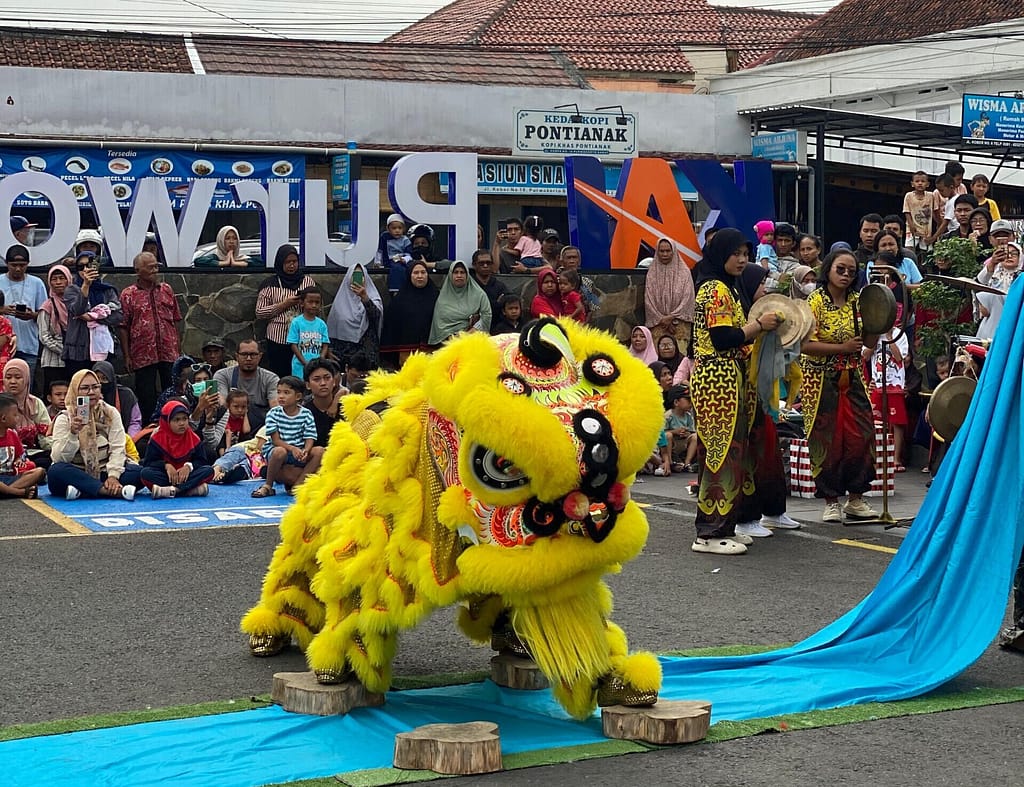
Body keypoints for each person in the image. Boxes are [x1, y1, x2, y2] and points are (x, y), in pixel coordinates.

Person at [690, 228, 781, 555]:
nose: (743, 260)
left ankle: (726, 524)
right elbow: (722, 338)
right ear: (720, 255)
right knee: (719, 454)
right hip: (716, 379)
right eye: (736, 254)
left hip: (729, 378)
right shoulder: (714, 289)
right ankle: (710, 533)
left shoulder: (725, 287)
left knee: (733, 453)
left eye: (746, 254)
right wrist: (759, 326)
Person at [800, 249, 879, 524]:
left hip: (854, 376)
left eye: (851, 271)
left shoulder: (859, 301)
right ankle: (831, 500)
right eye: (840, 269)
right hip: (821, 380)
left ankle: (856, 497)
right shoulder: (815, 302)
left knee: (862, 435)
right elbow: (804, 344)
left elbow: (869, 342)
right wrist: (841, 348)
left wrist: (879, 320)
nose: (846, 275)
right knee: (826, 438)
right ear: (829, 270)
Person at [47, 369, 141, 501]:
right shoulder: (65, 417)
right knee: (56, 471)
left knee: (140, 473)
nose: (91, 392)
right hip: (76, 472)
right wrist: (73, 433)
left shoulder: (109, 413)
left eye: (95, 387)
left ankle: (84, 489)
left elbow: (118, 447)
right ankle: (106, 491)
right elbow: (58, 458)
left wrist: (113, 476)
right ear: (75, 390)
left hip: (105, 471)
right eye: (85, 388)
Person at [118, 252, 181, 424]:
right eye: (150, 267)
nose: (155, 270)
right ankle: (149, 429)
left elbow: (175, 320)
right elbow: (123, 326)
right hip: (142, 353)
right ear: (138, 271)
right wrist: (127, 356)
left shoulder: (167, 290)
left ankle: (173, 424)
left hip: (169, 351)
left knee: (172, 391)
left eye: (156, 266)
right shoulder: (128, 294)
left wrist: (178, 350)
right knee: (146, 394)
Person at [251, 376, 324, 498]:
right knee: (280, 451)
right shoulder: (273, 413)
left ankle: (299, 485)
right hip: (279, 450)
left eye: (286, 393)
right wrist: (293, 449)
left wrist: (305, 450)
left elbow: (310, 437)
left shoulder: (306, 413)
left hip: (299, 451)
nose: (281, 396)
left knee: (320, 451)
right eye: (278, 392)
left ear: (298, 397)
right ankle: (268, 486)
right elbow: (276, 441)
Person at [255, 244, 316, 379]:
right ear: (280, 262)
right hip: (278, 339)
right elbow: (259, 312)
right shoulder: (270, 284)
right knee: (280, 376)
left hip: (303, 338)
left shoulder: (307, 282)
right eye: (287, 262)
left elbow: (315, 305)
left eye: (294, 262)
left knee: (302, 375)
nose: (291, 266)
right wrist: (283, 304)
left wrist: (303, 304)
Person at [63, 250, 122, 379]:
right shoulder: (71, 290)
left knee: (102, 386)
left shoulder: (107, 290)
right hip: (79, 349)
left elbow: (117, 316)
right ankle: (82, 401)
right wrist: (85, 285)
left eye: (88, 265)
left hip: (103, 348)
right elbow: (77, 311)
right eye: (80, 266)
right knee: (81, 390)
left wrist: (92, 317)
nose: (84, 269)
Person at [141, 401, 216, 499]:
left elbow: (201, 461)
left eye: (184, 419)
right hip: (167, 476)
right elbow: (149, 462)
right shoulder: (157, 439)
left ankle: (173, 491)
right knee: (145, 473)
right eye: (176, 420)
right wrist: (166, 466)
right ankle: (190, 490)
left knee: (209, 471)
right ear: (167, 421)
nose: (182, 423)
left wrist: (188, 467)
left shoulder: (194, 438)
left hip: (186, 476)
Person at [0, 244, 47, 387]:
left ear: (28, 264)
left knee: (26, 390)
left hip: (28, 345)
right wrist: (2, 310)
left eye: (22, 265)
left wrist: (31, 315)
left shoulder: (37, 283)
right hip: (3, 347)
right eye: (14, 265)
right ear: (7, 264)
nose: (18, 268)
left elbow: (45, 314)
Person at [870, 307, 910, 473]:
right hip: (877, 384)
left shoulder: (900, 334)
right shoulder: (872, 334)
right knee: (874, 420)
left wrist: (889, 337)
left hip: (895, 384)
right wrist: (874, 338)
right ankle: (874, 457)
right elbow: (865, 355)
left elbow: (900, 357)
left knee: (897, 422)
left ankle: (896, 458)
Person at [379, 260, 439, 365]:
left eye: (423, 272)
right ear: (409, 275)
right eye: (416, 273)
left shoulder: (437, 297)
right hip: (406, 355)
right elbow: (391, 328)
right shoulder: (399, 301)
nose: (420, 276)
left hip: (432, 353)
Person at [213, 339, 279, 429]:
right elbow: (222, 402)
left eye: (253, 354)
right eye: (244, 354)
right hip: (230, 426)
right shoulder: (222, 375)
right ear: (237, 356)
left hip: (262, 426)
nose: (248, 358)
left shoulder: (271, 378)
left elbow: (275, 405)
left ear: (260, 356)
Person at [644, 237, 695, 352]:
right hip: (658, 325)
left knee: (680, 360)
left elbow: (688, 298)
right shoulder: (652, 273)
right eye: (661, 251)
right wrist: (662, 320)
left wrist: (672, 317)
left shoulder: (684, 272)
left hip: (679, 325)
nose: (665, 254)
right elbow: (649, 300)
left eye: (668, 251)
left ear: (674, 251)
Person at [327, 263, 383, 368]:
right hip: (344, 356)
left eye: (361, 275)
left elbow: (376, 318)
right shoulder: (340, 301)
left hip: (367, 357)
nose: (358, 278)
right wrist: (329, 350)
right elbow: (333, 328)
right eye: (354, 275)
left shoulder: (373, 297)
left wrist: (365, 298)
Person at [2, 358, 52, 468]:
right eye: (8, 377)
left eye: (18, 377)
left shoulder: (35, 403)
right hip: (4, 453)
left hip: (32, 452)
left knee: (50, 459)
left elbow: (46, 434)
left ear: (27, 379)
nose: (13, 381)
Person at [428, 261, 491, 345]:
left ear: (467, 275)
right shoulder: (443, 298)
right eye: (456, 272)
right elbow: (440, 324)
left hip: (472, 341)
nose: (459, 275)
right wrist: (453, 339)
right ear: (450, 275)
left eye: (462, 272)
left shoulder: (479, 294)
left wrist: (468, 334)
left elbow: (487, 315)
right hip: (447, 344)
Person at [0, 392, 46, 499]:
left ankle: (6, 492)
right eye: (15, 415)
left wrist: (18, 461)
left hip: (10, 477)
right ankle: (19, 492)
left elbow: (18, 456)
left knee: (40, 472)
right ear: (3, 418)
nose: (18, 418)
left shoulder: (12, 434)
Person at [975, 239, 1023, 340]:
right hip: (991, 327)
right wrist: (992, 263)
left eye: (1014, 254)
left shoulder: (1021, 278)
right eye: (1006, 254)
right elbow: (979, 283)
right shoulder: (992, 275)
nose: (1009, 257)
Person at [36, 264, 71, 395]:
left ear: (69, 279)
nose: (58, 282)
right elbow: (44, 336)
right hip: (53, 361)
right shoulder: (47, 306)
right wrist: (64, 351)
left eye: (62, 278)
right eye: (54, 279)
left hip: (73, 360)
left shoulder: (75, 303)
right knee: (53, 395)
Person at [287, 286, 330, 378]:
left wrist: (320, 360)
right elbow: (293, 345)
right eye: (310, 302)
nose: (314, 305)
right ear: (302, 303)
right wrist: (305, 363)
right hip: (300, 367)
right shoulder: (296, 322)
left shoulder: (321, 324)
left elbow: (325, 344)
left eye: (317, 302)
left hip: (317, 368)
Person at [92, 360, 142, 438]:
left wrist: (129, 440)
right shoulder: (88, 396)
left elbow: (135, 422)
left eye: (104, 378)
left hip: (123, 437)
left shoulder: (126, 394)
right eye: (97, 379)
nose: (100, 382)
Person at [202, 387, 254, 458]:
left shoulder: (244, 418)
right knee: (222, 437)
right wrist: (228, 450)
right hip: (225, 446)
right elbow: (227, 432)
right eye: (236, 406)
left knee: (248, 437)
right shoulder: (226, 417)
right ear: (228, 406)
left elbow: (246, 431)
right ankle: (223, 457)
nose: (240, 410)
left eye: (243, 407)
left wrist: (245, 415)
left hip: (237, 445)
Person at [303, 358, 343, 447]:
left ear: (334, 381)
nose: (323, 383)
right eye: (316, 379)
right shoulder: (303, 413)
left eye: (327, 378)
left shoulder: (346, 409)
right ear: (308, 385)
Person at [664, 384, 698, 473]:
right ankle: (670, 462)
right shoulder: (668, 416)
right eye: (687, 400)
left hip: (684, 443)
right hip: (673, 444)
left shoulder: (688, 416)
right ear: (676, 402)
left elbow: (692, 431)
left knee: (695, 436)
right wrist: (675, 432)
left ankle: (687, 463)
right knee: (667, 435)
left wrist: (687, 433)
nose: (691, 403)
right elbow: (661, 433)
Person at [377, 214, 414, 295]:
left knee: (404, 269)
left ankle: (403, 289)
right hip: (389, 261)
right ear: (388, 229)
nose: (397, 230)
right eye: (394, 228)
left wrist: (404, 259)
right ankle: (394, 289)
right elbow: (380, 251)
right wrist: (378, 262)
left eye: (400, 228)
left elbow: (409, 254)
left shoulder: (405, 240)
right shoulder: (384, 237)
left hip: (401, 260)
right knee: (395, 268)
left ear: (404, 229)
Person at [469, 249, 508, 320]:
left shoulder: (500, 286)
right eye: (481, 263)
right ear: (474, 265)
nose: (485, 265)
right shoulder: (468, 286)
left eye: (488, 263)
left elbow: (507, 306)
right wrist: (496, 303)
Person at [902, 171, 935, 254]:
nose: (920, 183)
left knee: (926, 253)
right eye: (917, 181)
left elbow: (935, 210)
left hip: (926, 229)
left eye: (923, 181)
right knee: (909, 250)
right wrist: (911, 225)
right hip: (912, 228)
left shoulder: (931, 196)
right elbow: (907, 211)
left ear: (927, 184)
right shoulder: (909, 196)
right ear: (912, 184)